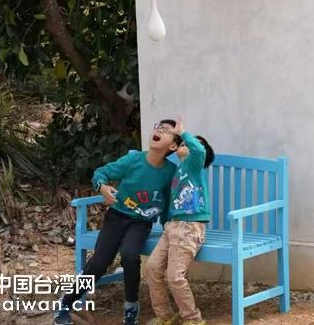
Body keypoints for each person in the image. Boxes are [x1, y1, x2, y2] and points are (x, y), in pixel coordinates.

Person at [53, 120, 180, 325]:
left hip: (140, 223)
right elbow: (101, 173)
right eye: (158, 127)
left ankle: (131, 307)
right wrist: (102, 187)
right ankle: (66, 303)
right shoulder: (133, 160)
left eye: (166, 131)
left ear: (173, 145)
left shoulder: (170, 171)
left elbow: (167, 202)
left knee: (130, 256)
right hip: (117, 217)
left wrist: (169, 227)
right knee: (99, 264)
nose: (159, 131)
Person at [146, 115, 214, 325]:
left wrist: (183, 132)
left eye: (189, 143)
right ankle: (165, 316)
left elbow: (199, 151)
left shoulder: (194, 165)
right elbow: (171, 203)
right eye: (183, 142)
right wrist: (165, 221)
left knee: (175, 276)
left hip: (190, 227)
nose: (185, 143)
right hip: (173, 227)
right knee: (152, 268)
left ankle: (193, 319)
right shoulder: (179, 171)